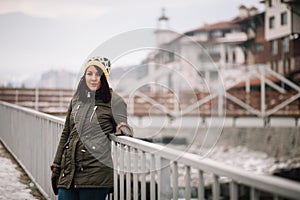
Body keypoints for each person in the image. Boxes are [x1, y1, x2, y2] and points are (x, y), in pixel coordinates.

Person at [50, 56, 133, 200]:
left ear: (105, 77)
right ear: (84, 76)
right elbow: (66, 133)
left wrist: (123, 130)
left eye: (98, 74)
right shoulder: (76, 99)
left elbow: (123, 123)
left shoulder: (115, 101)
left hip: (95, 174)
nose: (93, 78)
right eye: (90, 73)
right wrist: (57, 165)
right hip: (69, 171)